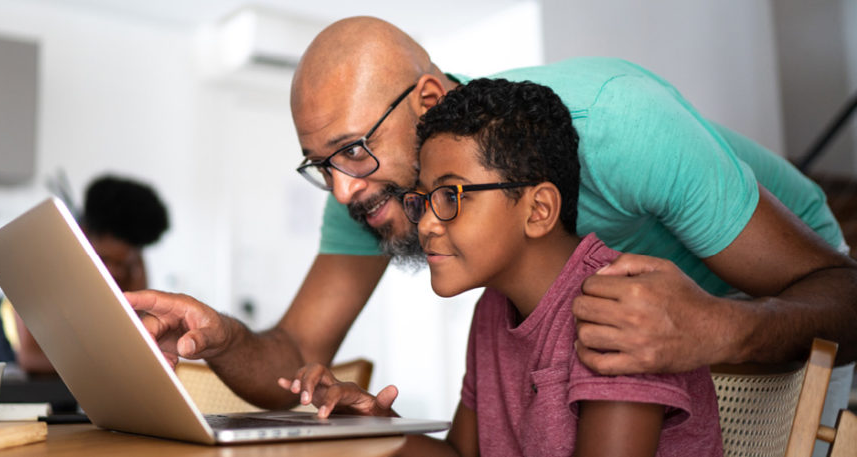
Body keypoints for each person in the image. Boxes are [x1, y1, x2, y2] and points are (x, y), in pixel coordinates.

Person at [126, 17, 857, 415]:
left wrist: (719, 325)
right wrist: (219, 337)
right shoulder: (378, 193)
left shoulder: (615, 126)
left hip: (770, 297)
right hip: (636, 341)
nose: (343, 192)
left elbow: (841, 292)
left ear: (428, 99)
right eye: (322, 165)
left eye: (352, 150)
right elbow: (295, 350)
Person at [282, 77, 723, 456]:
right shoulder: (494, 309)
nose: (427, 224)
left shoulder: (621, 310)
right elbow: (461, 454)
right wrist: (370, 424)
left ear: (538, 210)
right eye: (423, 199)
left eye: (451, 196)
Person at [0, 174, 171, 373]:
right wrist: (110, 365)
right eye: (104, 259)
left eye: (124, 263)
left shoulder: (133, 267)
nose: (115, 272)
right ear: (81, 233)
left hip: (73, 353)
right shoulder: (45, 267)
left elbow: (133, 334)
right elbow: (30, 358)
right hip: (0, 341)